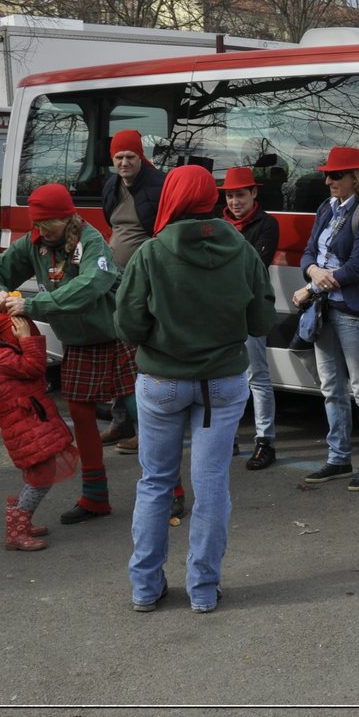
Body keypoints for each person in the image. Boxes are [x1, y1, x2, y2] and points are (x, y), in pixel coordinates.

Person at [115, 165, 274, 612]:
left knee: (155, 484)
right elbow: (261, 321)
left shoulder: (151, 253)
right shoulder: (242, 250)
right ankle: (204, 590)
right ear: (212, 198)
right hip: (221, 384)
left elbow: (127, 323)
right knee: (212, 487)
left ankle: (145, 588)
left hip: (162, 382)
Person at [0, 184, 130, 522]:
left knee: (144, 416)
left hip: (115, 335)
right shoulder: (35, 242)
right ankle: (95, 497)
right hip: (78, 342)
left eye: (49, 223)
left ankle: (170, 492)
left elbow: (90, 285)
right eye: (38, 223)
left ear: (67, 216)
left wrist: (33, 304)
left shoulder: (92, 242)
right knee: (80, 415)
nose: (42, 230)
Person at [293, 146, 359, 491]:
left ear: (355, 177)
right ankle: (338, 459)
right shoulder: (326, 207)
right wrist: (313, 270)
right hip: (324, 309)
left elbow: (356, 268)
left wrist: (311, 288)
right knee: (331, 387)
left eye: (336, 175)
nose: (329, 180)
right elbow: (307, 252)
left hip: (350, 309)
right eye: (327, 175)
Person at [0, 311, 79, 550]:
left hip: (27, 424)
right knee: (40, 478)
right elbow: (34, 367)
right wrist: (26, 340)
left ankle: (22, 522)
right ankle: (16, 529)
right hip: (27, 426)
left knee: (40, 474)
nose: (29, 333)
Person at [98, 129, 165, 453]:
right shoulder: (112, 185)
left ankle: (145, 429)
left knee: (138, 355)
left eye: (130, 157)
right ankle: (121, 421)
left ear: (141, 158)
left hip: (143, 278)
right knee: (119, 353)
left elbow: (162, 230)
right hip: (116, 276)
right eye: (119, 158)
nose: (124, 163)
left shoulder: (156, 186)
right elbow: (112, 224)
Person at [219, 166, 281, 470]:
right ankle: (228, 437)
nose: (234, 202)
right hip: (223, 310)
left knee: (257, 376)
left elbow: (255, 266)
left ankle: (264, 440)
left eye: (240, 195)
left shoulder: (267, 224)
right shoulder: (218, 224)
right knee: (226, 375)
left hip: (251, 308)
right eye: (230, 196)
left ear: (254, 193)